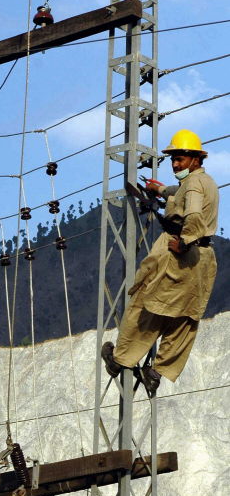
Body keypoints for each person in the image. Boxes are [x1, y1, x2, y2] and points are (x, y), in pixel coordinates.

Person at [101, 129, 218, 393]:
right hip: (203, 259)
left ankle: (120, 360)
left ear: (196, 160)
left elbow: (194, 213)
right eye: (173, 159)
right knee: (186, 317)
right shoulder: (205, 182)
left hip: (180, 251)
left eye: (181, 158)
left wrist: (185, 240)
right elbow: (182, 193)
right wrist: (161, 190)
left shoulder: (195, 185)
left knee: (148, 303)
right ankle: (156, 371)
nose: (176, 163)